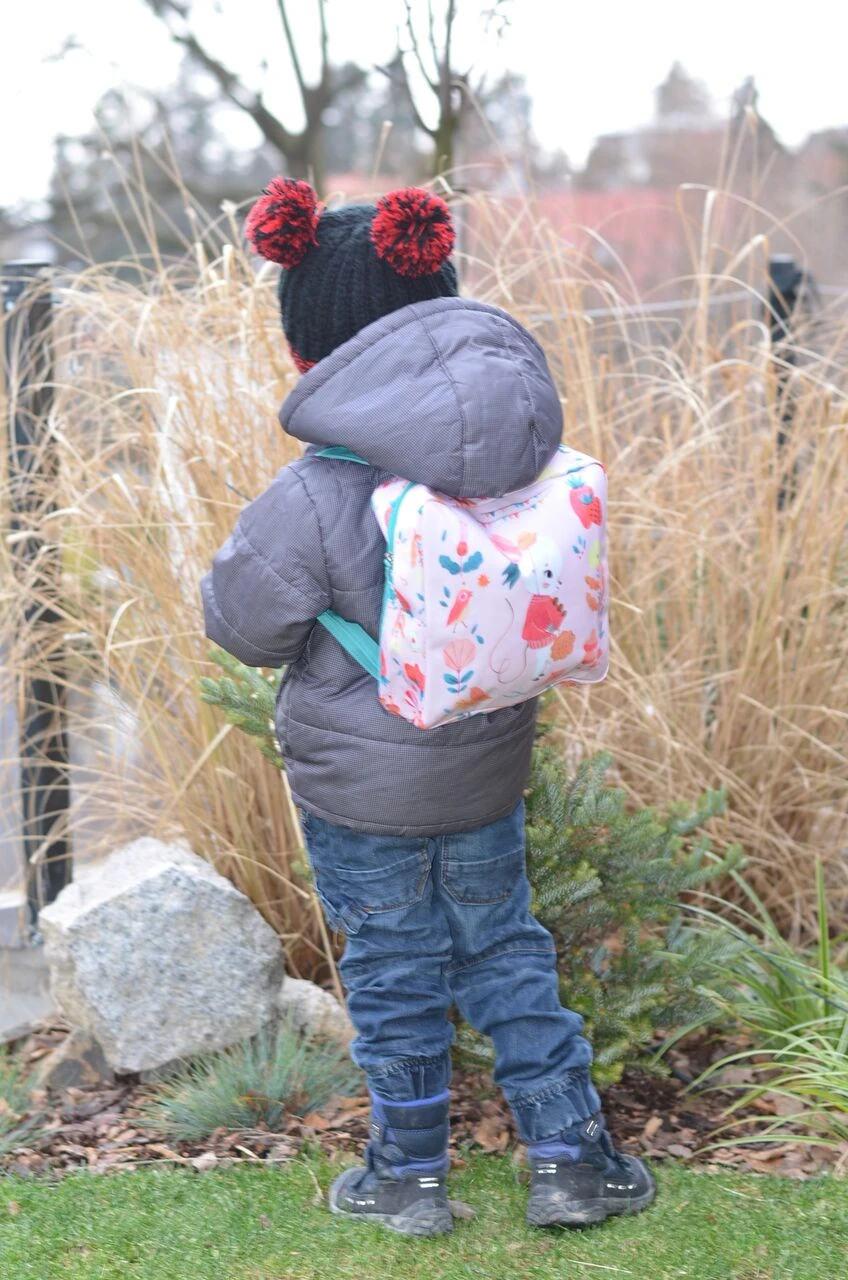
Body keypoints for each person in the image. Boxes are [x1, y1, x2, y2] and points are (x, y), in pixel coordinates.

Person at [201, 178, 655, 1236]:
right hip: (484, 765)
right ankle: (570, 1159)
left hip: (360, 790)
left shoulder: (315, 492)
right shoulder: (520, 457)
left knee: (392, 967)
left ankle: (407, 1177)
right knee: (506, 949)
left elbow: (242, 625)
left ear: (311, 351)